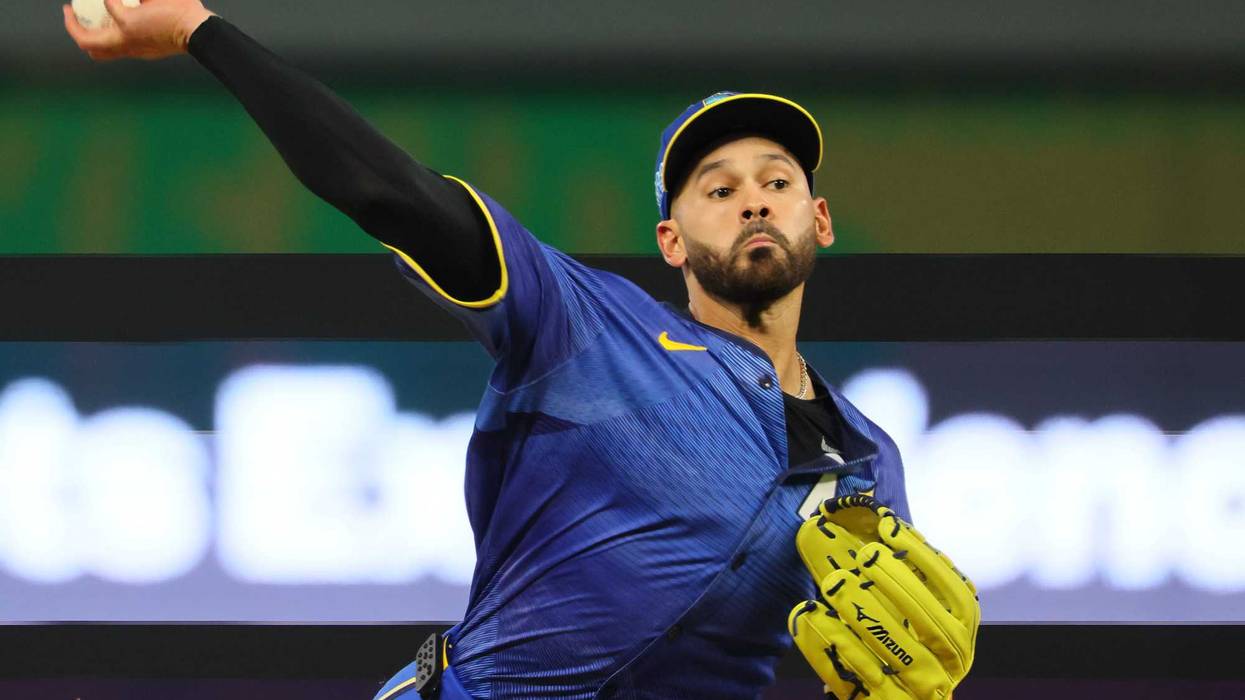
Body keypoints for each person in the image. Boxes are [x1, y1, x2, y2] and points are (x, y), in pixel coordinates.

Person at [62, 3, 914, 698]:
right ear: (670, 242)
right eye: (718, 190)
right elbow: (389, 193)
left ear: (820, 219)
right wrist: (199, 31)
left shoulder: (865, 460)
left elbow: (887, 655)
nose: (753, 203)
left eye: (777, 182)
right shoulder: (584, 324)